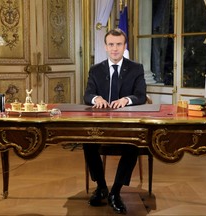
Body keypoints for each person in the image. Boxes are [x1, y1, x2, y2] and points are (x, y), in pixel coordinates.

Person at [83, 28, 147, 214]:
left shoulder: (136, 68)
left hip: (127, 124)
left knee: (133, 146)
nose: (115, 49)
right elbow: (88, 94)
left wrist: (126, 100)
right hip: (101, 124)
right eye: (111, 44)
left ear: (124, 46)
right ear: (105, 47)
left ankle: (115, 192)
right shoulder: (96, 70)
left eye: (119, 44)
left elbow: (141, 96)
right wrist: (97, 99)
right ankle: (101, 187)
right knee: (87, 143)